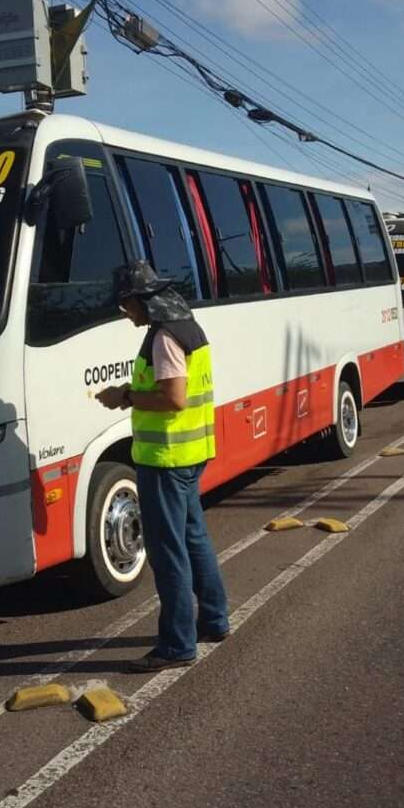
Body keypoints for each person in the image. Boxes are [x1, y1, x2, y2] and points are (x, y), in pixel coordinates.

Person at [96, 261, 229, 673]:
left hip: (166, 459)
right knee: (194, 539)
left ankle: (176, 644)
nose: (125, 313)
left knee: (168, 551)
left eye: (127, 304)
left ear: (144, 301)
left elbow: (174, 399)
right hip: (193, 453)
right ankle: (215, 619)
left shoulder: (164, 338)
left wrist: (126, 396)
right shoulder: (188, 326)